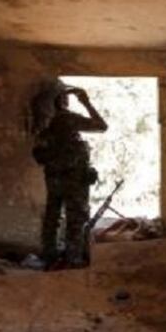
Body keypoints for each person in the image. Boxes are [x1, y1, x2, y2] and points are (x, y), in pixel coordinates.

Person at [32, 86, 108, 264]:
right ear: (61, 101)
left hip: (53, 179)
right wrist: (86, 102)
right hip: (73, 180)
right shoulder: (67, 119)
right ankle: (72, 260)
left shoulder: (43, 123)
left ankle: (49, 258)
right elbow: (101, 126)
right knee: (75, 220)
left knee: (52, 217)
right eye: (66, 98)